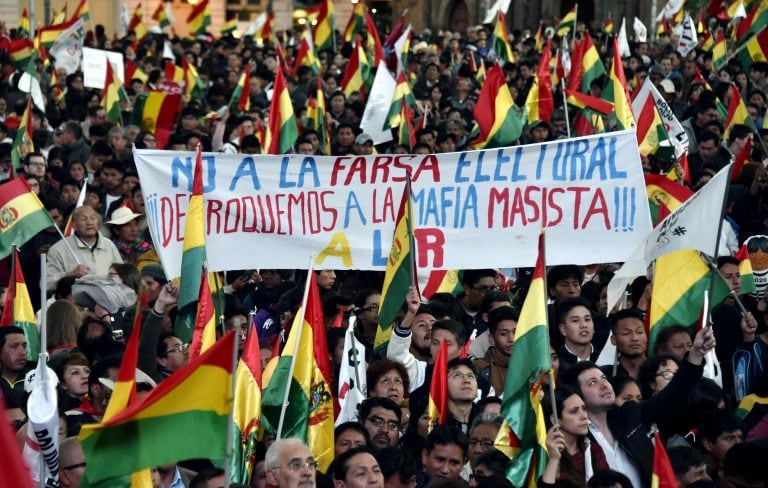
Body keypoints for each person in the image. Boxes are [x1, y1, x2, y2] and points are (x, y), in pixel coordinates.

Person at [560, 325, 716, 488]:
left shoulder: (630, 414)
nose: (604, 385)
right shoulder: (576, 436)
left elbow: (673, 396)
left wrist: (696, 354)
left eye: (604, 378)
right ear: (578, 395)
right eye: (592, 383)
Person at [541, 386, 609, 487]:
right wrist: (554, 460)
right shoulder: (543, 454)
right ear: (555, 419)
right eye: (574, 411)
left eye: (584, 408)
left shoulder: (593, 450)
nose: (584, 416)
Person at [46, 206, 123, 291]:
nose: (89, 222)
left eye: (93, 218)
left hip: (108, 300)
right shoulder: (58, 249)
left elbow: (122, 275)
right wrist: (70, 274)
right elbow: (46, 283)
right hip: (74, 302)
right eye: (83, 219)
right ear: (74, 225)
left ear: (98, 223)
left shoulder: (109, 245)